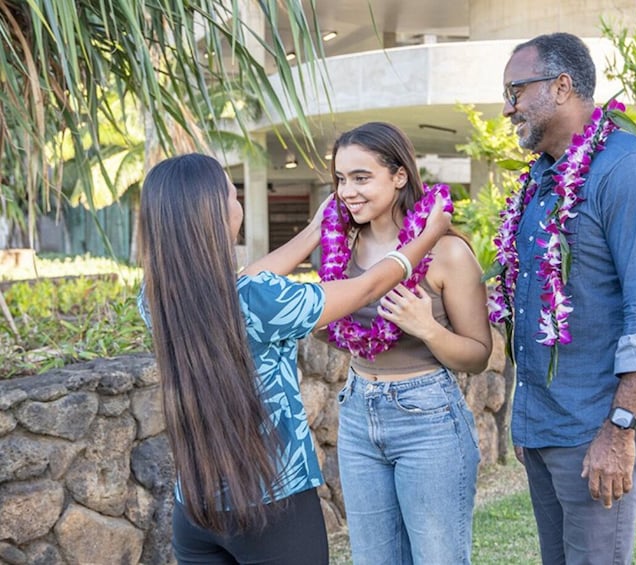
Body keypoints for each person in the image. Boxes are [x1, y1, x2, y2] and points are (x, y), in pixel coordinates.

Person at [136, 152, 451, 564]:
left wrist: (315, 231)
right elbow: (366, 290)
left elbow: (241, 285)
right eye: (233, 196)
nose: (239, 206)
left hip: (195, 508)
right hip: (272, 505)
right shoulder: (259, 301)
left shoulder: (155, 297)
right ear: (211, 214)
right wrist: (428, 236)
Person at [495, 32, 636, 564]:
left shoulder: (629, 170)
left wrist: (620, 430)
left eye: (516, 89)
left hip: (596, 427)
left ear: (561, 87)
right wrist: (528, 422)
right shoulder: (541, 182)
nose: (507, 107)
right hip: (547, 427)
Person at [320, 122, 492, 565]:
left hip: (428, 419)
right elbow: (349, 335)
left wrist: (428, 329)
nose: (347, 191)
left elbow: (478, 355)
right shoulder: (341, 246)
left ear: (399, 176)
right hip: (358, 413)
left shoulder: (447, 253)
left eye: (361, 177)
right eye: (340, 179)